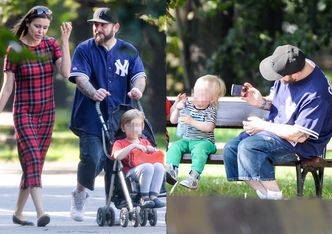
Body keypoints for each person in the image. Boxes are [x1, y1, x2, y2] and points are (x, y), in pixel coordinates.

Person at [223, 44, 332, 200]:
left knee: (249, 147)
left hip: (301, 145)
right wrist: (260, 102)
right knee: (231, 149)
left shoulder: (317, 94)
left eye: (280, 76)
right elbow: (280, 102)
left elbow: (299, 135)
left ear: (294, 74)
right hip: (277, 132)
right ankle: (267, 196)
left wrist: (263, 126)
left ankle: (276, 199)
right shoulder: (290, 65)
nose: (278, 79)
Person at [68, 7, 146, 222]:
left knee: (118, 161)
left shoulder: (128, 50)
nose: (98, 28)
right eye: (95, 24)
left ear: (116, 27)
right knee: (93, 158)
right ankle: (80, 193)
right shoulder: (84, 49)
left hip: (121, 117)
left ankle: (116, 203)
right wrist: (94, 92)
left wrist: (138, 89)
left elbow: (139, 76)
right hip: (90, 116)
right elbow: (80, 78)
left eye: (103, 24)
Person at [0, 6, 72, 226]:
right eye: (37, 26)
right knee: (32, 159)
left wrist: (65, 40)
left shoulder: (51, 44)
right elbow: (7, 89)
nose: (41, 31)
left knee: (34, 165)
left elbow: (66, 73)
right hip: (24, 113)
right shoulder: (15, 49)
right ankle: (42, 212)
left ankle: (18, 213)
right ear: (28, 23)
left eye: (45, 27)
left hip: (46, 114)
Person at [166, 75, 226, 189]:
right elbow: (173, 121)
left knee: (199, 151)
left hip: (204, 142)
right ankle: (172, 170)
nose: (195, 96)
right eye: (194, 93)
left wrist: (192, 121)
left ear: (212, 99)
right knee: (175, 146)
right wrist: (177, 110)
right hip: (187, 140)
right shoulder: (188, 105)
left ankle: (193, 177)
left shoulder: (211, 110)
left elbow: (209, 127)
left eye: (201, 94)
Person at [111, 109, 165, 208]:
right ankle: (144, 198)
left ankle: (153, 197)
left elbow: (152, 156)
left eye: (137, 125)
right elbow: (117, 156)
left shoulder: (145, 142)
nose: (134, 129)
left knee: (159, 166)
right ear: (123, 128)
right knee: (148, 167)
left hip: (147, 170)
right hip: (130, 174)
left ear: (142, 127)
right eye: (130, 126)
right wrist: (133, 146)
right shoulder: (119, 143)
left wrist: (151, 149)